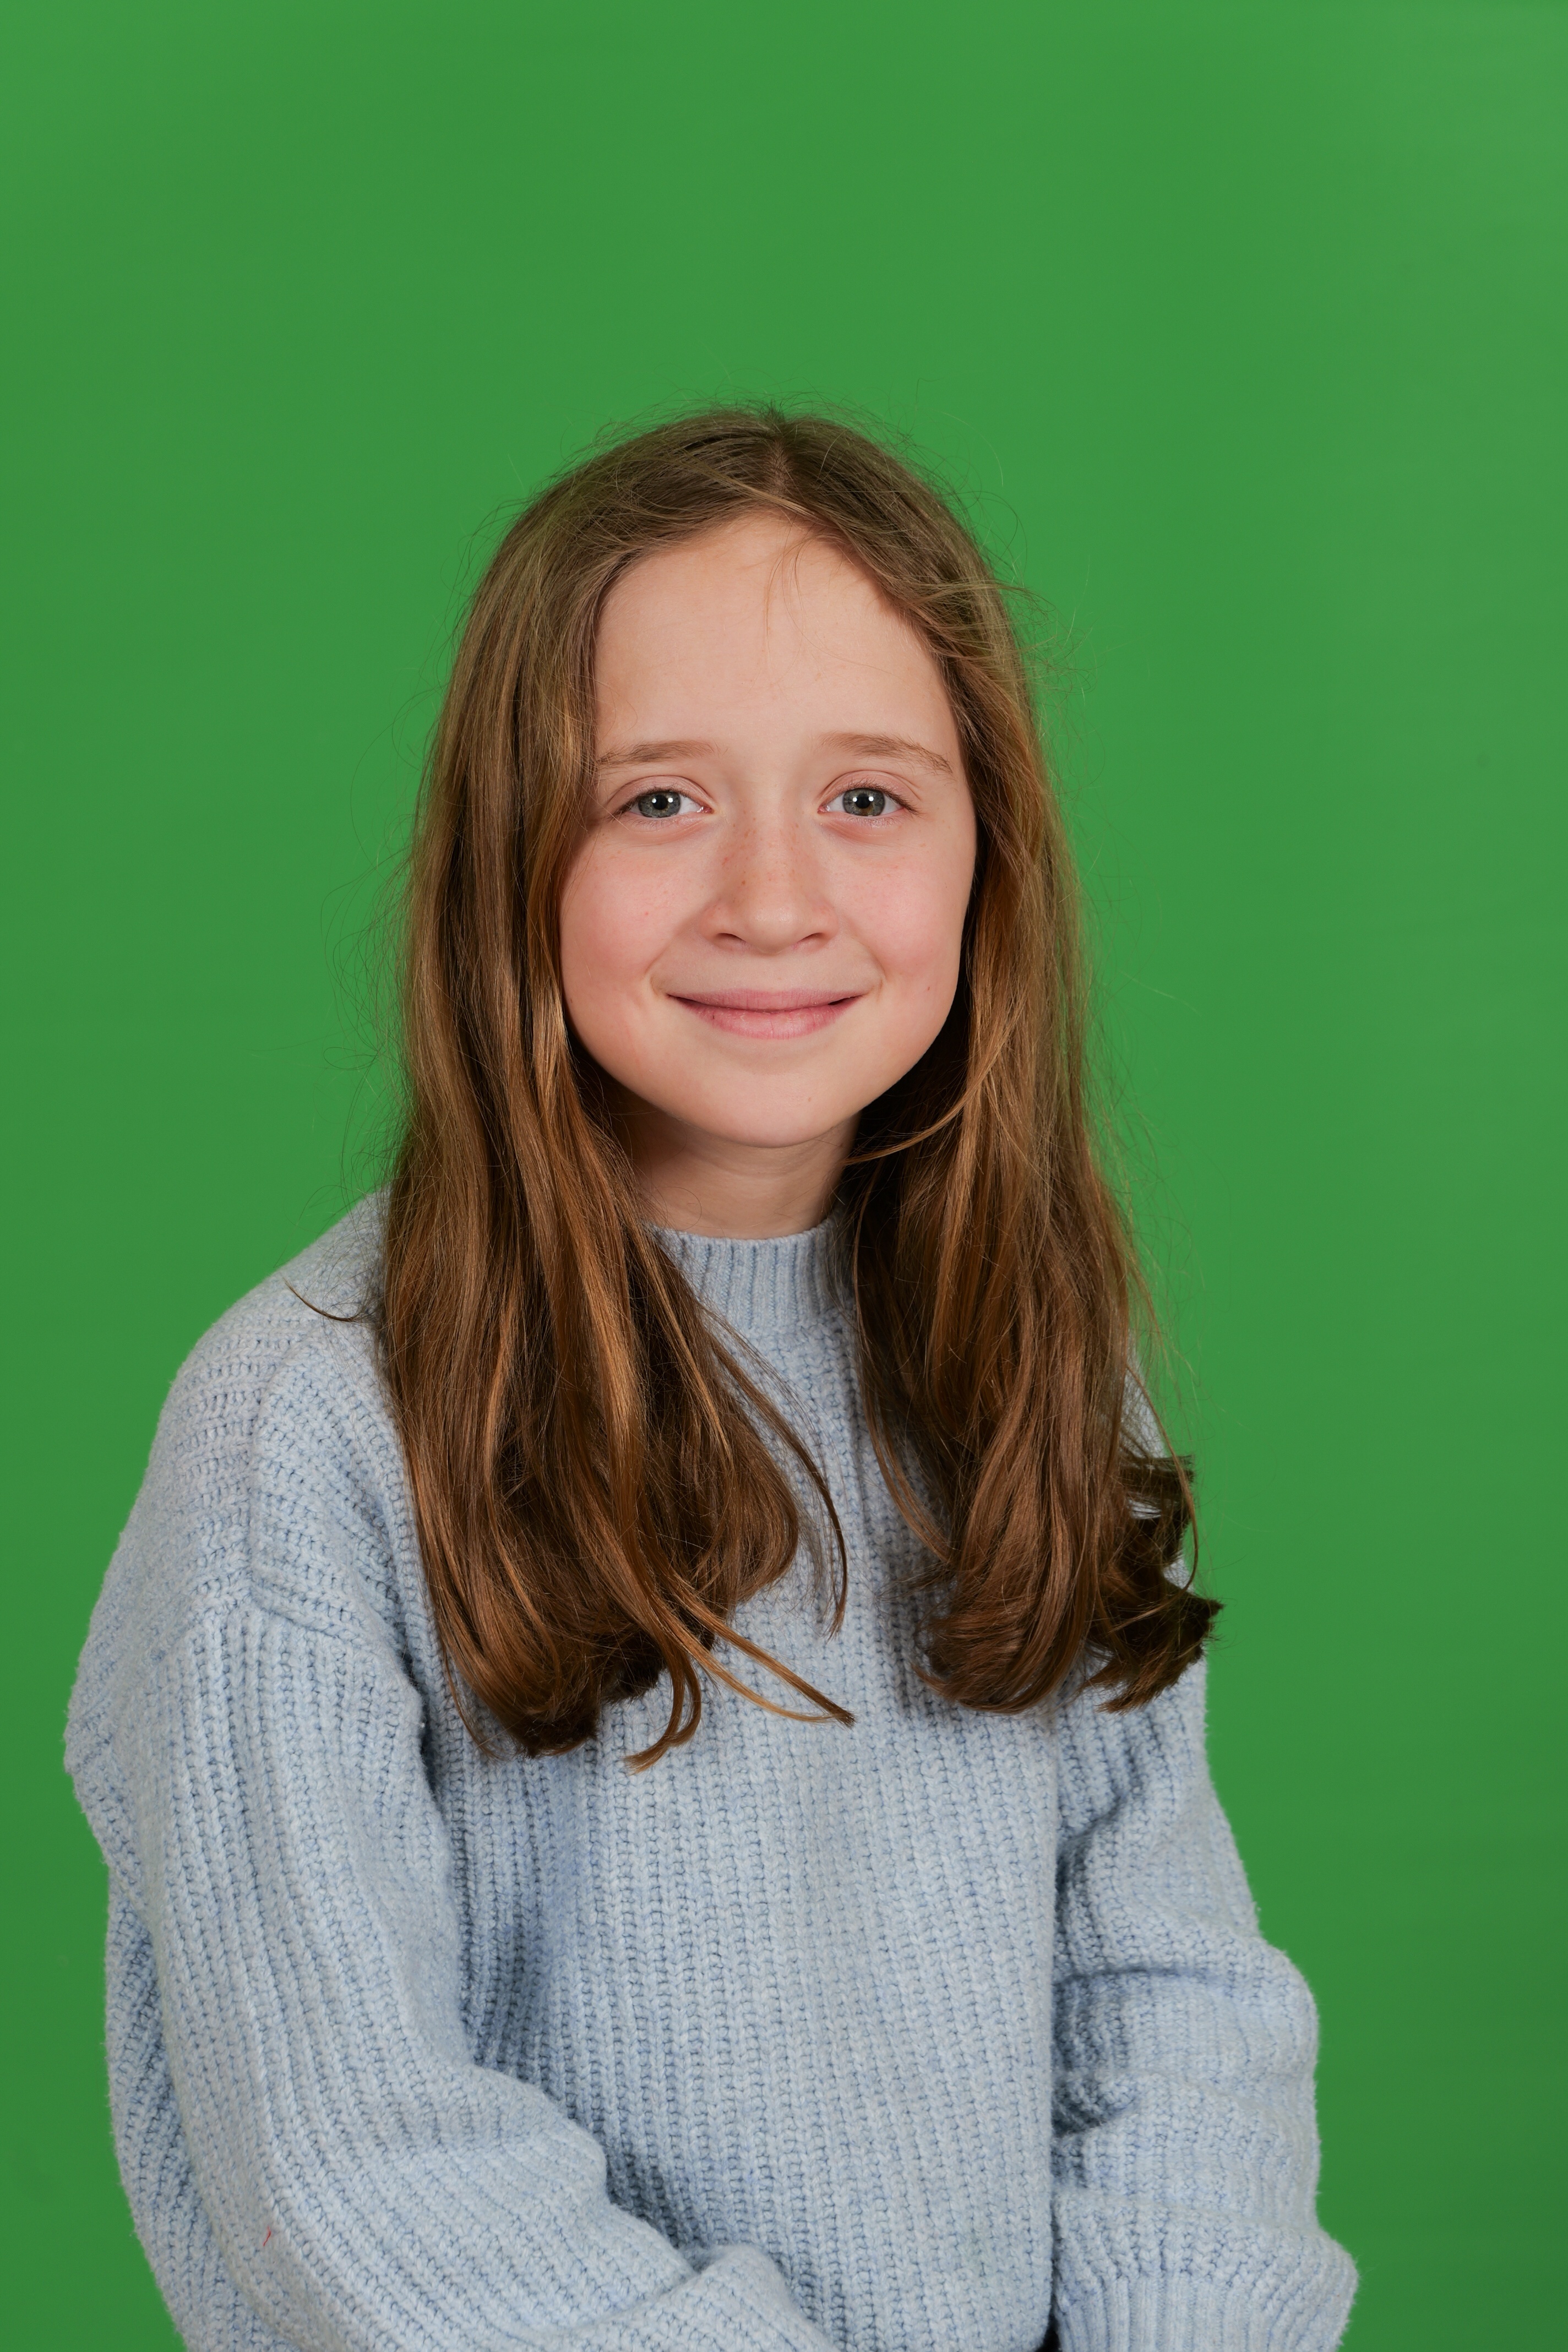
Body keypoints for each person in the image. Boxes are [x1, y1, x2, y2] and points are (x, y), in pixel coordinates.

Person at [67, 409, 1356, 2352]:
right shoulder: (304, 1424)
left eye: (870, 797)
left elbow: (1166, 2003)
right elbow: (354, 2167)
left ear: (988, 857)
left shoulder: (1030, 1362)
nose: (773, 895)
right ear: (513, 859)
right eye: (659, 799)